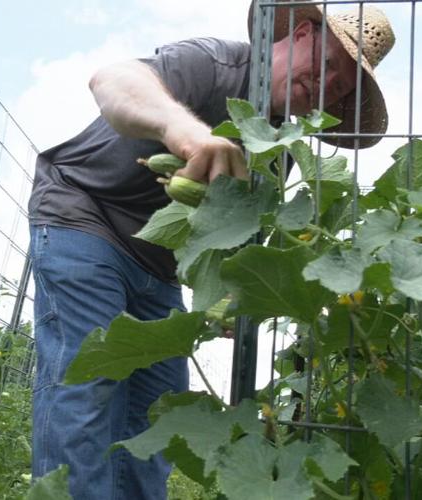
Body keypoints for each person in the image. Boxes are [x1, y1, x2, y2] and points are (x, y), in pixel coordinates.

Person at [26, 2, 395, 498]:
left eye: (341, 88)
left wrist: (225, 292)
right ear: (302, 34)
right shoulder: (216, 63)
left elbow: (229, 231)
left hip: (158, 265)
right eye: (327, 64)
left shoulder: (280, 147)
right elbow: (111, 79)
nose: (325, 86)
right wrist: (185, 131)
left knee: (156, 410)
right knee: (89, 385)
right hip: (84, 215)